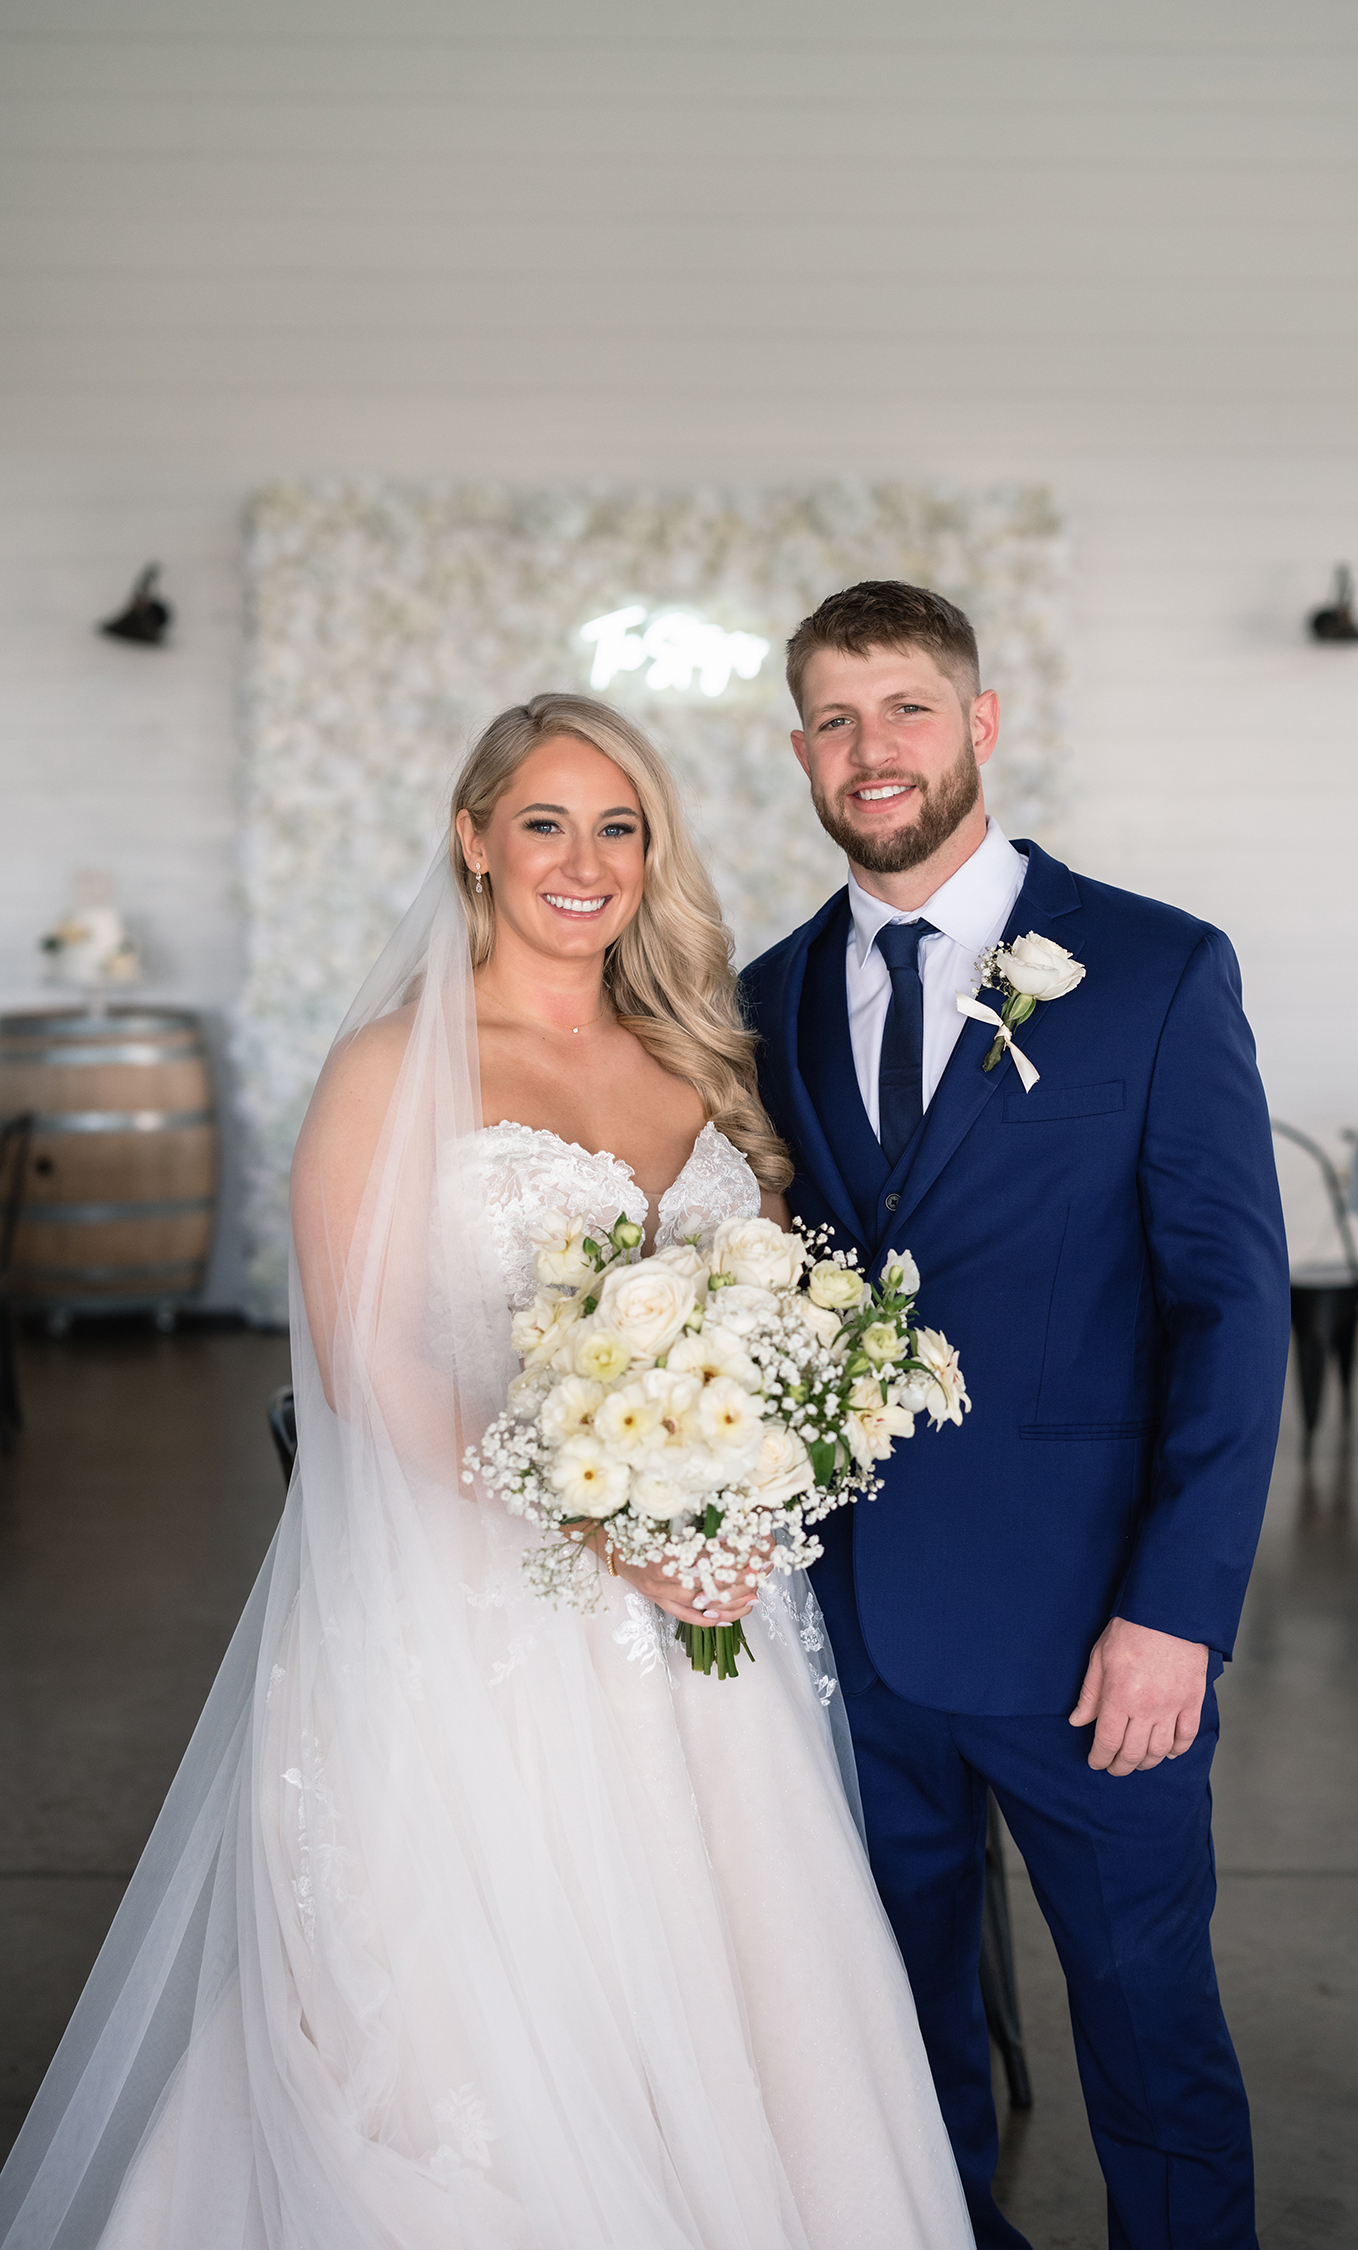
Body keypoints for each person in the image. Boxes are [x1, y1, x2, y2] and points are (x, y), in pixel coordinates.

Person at [0, 695, 973, 2250]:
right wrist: (604, 1523)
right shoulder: (394, 1066)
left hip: (712, 1630)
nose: (583, 862)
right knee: (486, 2024)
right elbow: (367, 1362)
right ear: (474, 839)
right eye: (544, 821)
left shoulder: (702, 1057)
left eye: (619, 826)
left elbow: (776, 1324)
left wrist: (750, 1493)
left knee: (737, 1997)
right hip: (474, 1619)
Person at [740, 582, 1290, 2250]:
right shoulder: (762, 997)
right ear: (800, 752)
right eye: (835, 718)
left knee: (1146, 2025)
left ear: (980, 723)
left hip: (1087, 1636)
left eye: (905, 707)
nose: (871, 749)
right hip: (845, 1628)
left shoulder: (1153, 969)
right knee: (894, 2045)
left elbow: (1231, 1309)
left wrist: (1175, 1614)